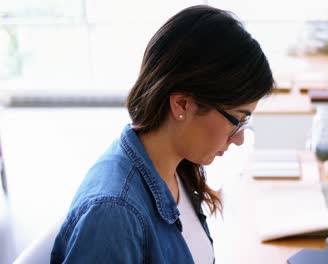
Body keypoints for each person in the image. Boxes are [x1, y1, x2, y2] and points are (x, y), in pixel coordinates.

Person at [51, 5, 274, 264]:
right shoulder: (114, 216)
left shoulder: (175, 165)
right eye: (236, 120)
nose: (239, 138)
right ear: (182, 105)